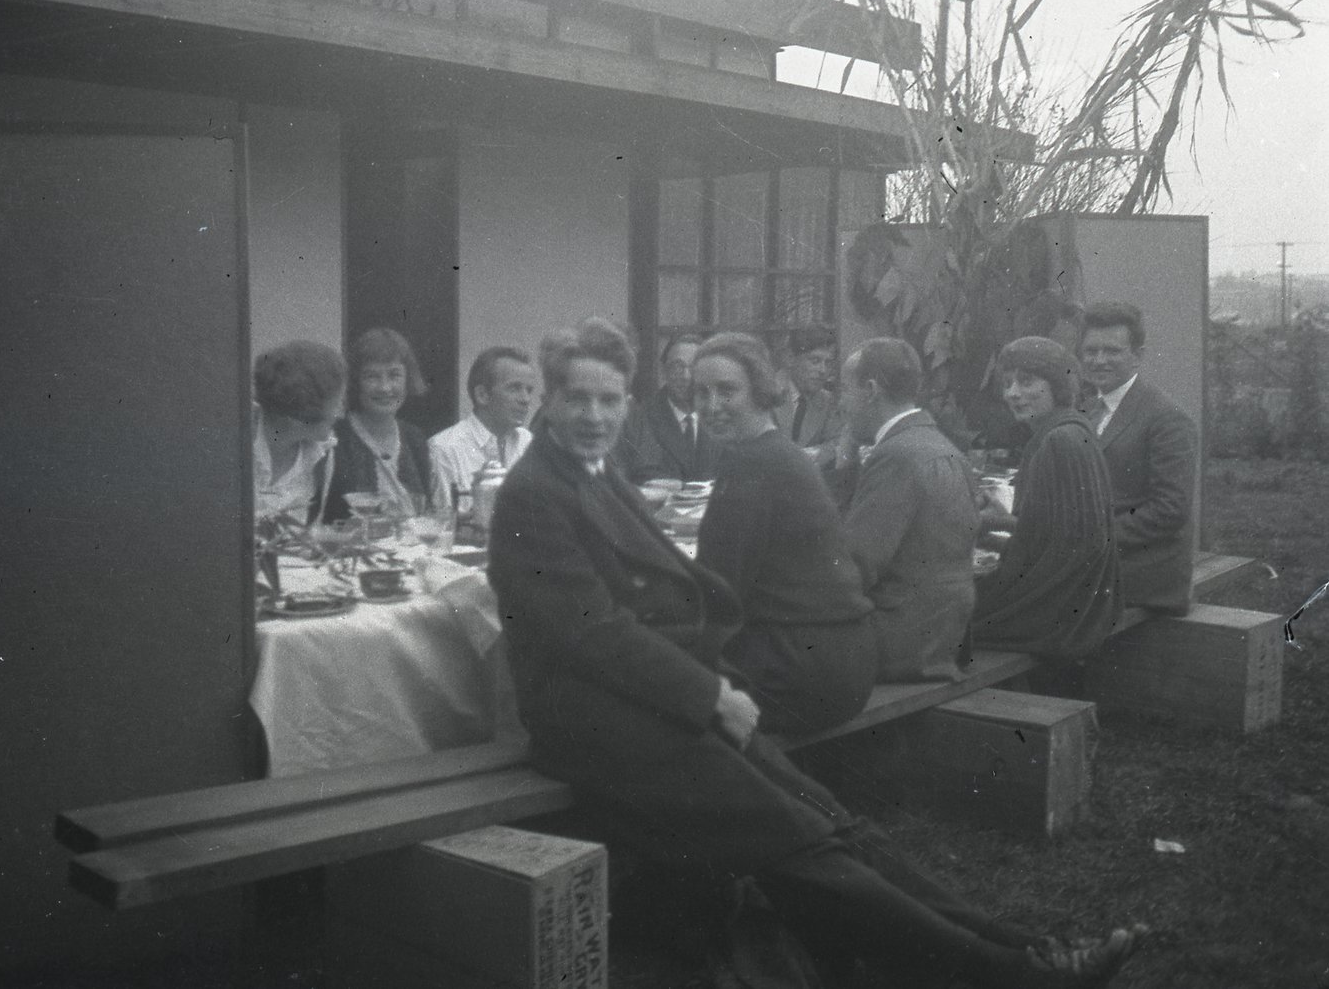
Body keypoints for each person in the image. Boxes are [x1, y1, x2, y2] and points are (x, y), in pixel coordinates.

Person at [487, 316, 1144, 989]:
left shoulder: (596, 475)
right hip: (592, 720)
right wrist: (710, 692)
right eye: (579, 400)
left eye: (609, 400)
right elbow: (595, 632)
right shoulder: (535, 494)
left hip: (650, 700)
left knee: (830, 821)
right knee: (792, 839)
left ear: (628, 403)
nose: (595, 415)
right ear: (551, 402)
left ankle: (1029, 948)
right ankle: (1005, 975)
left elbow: (674, 602)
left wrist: (713, 682)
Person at [691, 332, 877, 735]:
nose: (711, 406)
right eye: (701, 393)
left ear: (760, 390)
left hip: (801, 670)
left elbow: (719, 590)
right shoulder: (780, 453)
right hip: (844, 660)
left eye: (727, 391)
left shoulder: (751, 464)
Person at [972, 337, 1124, 661]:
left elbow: (1070, 554)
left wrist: (989, 530)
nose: (1013, 393)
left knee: (945, 616)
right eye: (1008, 383)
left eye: (1026, 382)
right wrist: (1000, 521)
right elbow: (1052, 537)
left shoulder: (1061, 440)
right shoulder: (1066, 431)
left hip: (1062, 611)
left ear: (1057, 385)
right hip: (1076, 602)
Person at [839, 337, 981, 681]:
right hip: (945, 635)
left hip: (904, 641)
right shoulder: (939, 444)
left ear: (870, 389)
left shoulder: (896, 455)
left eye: (844, 389)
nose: (840, 404)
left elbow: (856, 565)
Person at [1079, 302, 1199, 615]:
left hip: (1145, 572)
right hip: (1103, 560)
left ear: (1138, 355)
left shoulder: (1167, 418)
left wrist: (1090, 540)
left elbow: (1170, 510)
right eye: (1091, 351)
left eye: (1112, 351)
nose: (1099, 360)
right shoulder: (1090, 409)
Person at [323, 327, 433, 521]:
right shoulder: (334, 438)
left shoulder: (415, 437)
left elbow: (428, 512)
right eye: (372, 376)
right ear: (355, 382)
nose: (385, 387)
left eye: (394, 375)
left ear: (408, 379)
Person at [251, 340, 346, 526]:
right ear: (299, 414)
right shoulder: (237, 445)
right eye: (336, 403)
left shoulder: (322, 453)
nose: (342, 413)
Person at [428, 346, 538, 504]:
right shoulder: (445, 449)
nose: (525, 399)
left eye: (529, 390)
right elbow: (447, 521)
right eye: (514, 388)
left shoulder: (528, 442)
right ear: (482, 395)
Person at [616, 332, 719, 482]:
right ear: (664, 371)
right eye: (677, 367)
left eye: (694, 367)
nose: (686, 376)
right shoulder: (641, 418)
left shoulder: (720, 416)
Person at [772, 325, 843, 470]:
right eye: (815, 361)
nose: (823, 370)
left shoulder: (828, 401)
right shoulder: (765, 393)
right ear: (790, 359)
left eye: (828, 363)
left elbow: (838, 442)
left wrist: (815, 453)